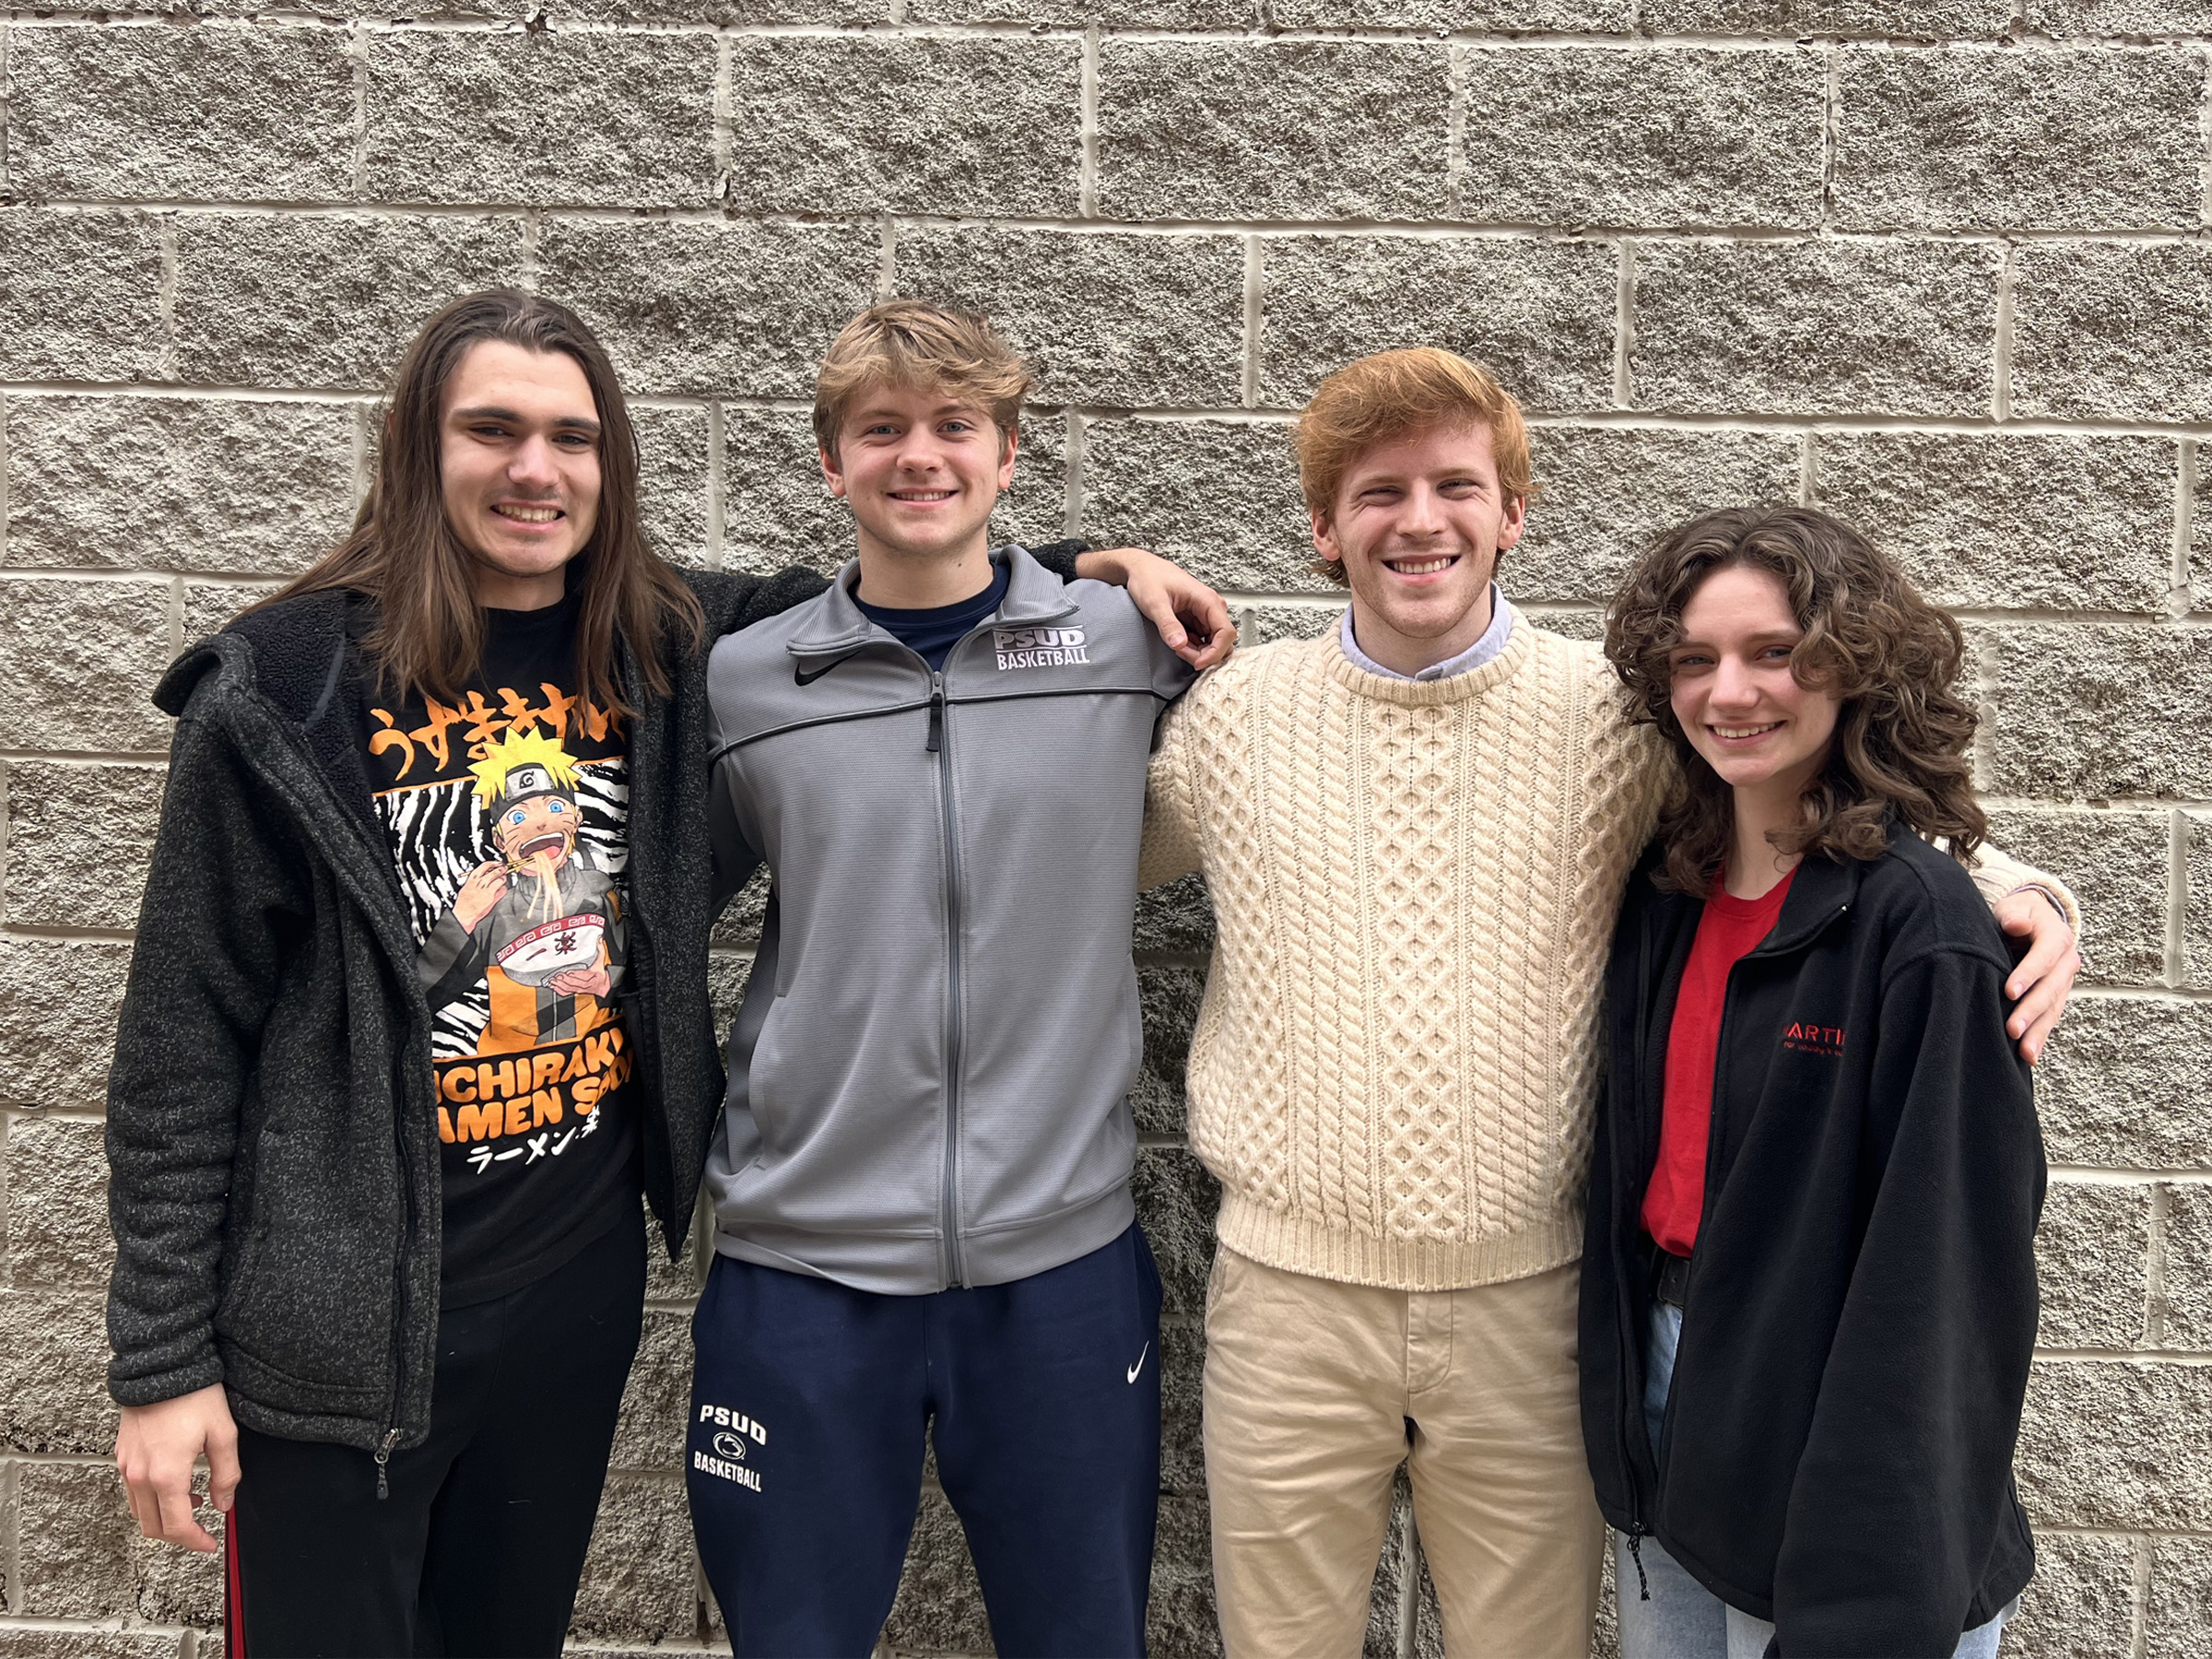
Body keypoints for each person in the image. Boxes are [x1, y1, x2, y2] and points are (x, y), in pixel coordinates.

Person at [102, 288, 1228, 1656]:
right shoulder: (292, 692)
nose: (534, 469)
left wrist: (1092, 569)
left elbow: (917, 602)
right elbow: (181, 1037)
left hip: (574, 1296)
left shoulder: (658, 642)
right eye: (493, 431)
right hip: (346, 1319)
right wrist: (163, 1363)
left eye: (570, 438)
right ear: (416, 446)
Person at [1134, 347, 2079, 1657]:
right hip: (1289, 1304)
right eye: (1379, 491)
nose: (1420, 520)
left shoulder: (1619, 715)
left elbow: (1806, 794)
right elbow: (1067, 842)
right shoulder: (1233, 719)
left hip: (1535, 1302)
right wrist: (1079, 572)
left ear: (1512, 513)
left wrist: (2007, 880)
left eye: (1458, 484)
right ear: (1322, 526)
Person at [686, 300, 1192, 1657]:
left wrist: (1123, 572)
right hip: (803, 1266)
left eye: (955, 426)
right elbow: (665, 914)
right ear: (830, 463)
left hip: (1063, 1264)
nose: (921, 456)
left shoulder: (1128, 648)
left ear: (1009, 455)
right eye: (882, 430)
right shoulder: (747, 682)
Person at [1579, 506, 2042, 1658]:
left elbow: (1944, 1285)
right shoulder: (1665, 898)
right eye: (1695, 660)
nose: (1728, 692)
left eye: (1774, 653)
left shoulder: (1921, 929)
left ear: (1853, 666)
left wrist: (1873, 1591)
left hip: (1841, 1434)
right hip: (1672, 1409)